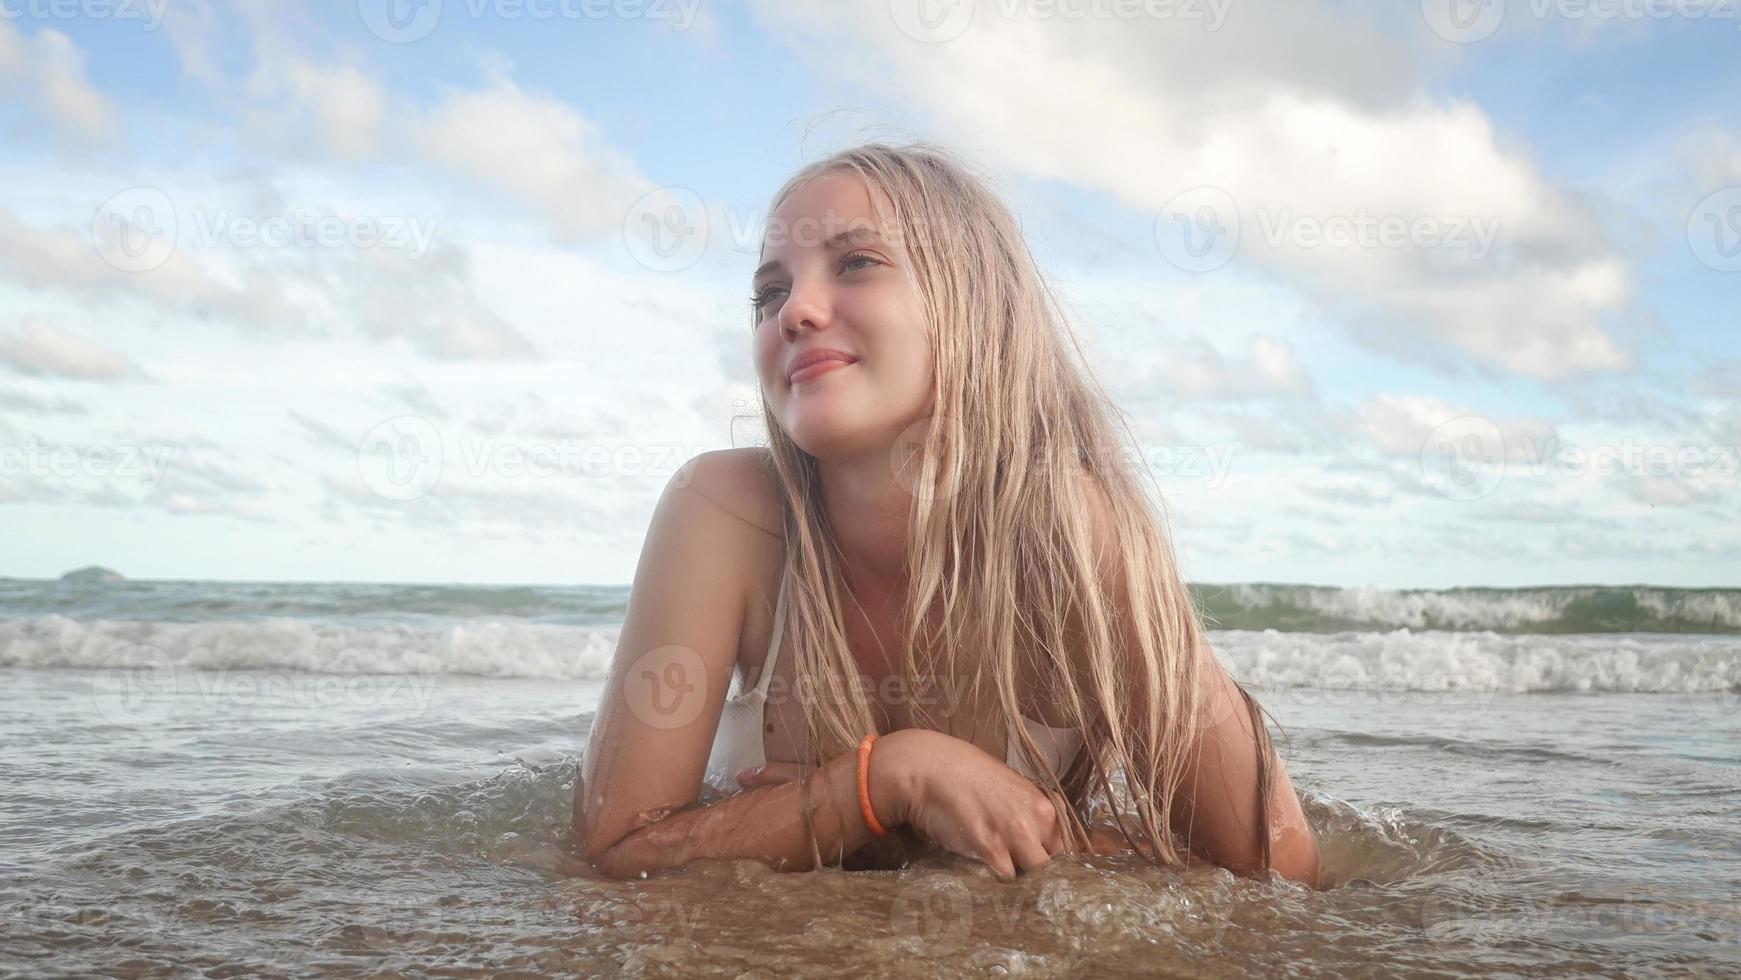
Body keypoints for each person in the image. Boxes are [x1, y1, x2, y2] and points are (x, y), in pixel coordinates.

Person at [571, 142, 1321, 887]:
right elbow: (612, 848)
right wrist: (887, 781)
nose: (793, 311)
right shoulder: (724, 512)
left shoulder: (1071, 535)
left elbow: (1276, 863)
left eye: (856, 263)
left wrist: (1051, 840)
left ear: (975, 304)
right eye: (768, 294)